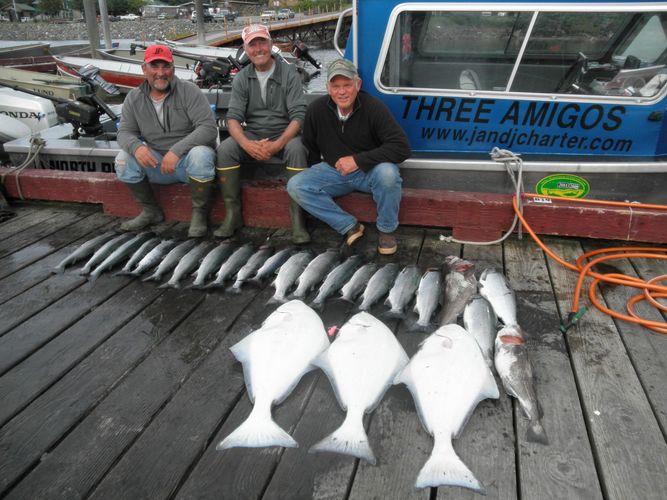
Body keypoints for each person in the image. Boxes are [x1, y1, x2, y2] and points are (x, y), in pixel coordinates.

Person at [287, 58, 411, 255]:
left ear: (358, 85)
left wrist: (357, 161)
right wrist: (316, 175)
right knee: (296, 185)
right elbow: (310, 148)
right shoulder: (316, 110)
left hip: (370, 172)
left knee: (389, 174)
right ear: (328, 88)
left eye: (347, 85)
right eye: (336, 86)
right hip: (334, 172)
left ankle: (386, 231)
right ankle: (349, 226)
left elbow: (402, 148)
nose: (342, 91)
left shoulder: (374, 107)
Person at [215, 24, 310, 243]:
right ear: (246, 49)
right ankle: (233, 215)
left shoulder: (290, 74)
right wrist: (247, 144)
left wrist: (277, 144)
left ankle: (298, 220)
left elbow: (298, 117)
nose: (258, 49)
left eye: (262, 43)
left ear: (271, 44)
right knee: (226, 149)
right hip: (253, 134)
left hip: (285, 134)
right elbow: (233, 119)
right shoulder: (241, 78)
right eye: (252, 45)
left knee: (297, 149)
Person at [115, 45, 217, 238]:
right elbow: (124, 132)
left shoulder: (190, 91)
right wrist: (137, 147)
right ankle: (151, 211)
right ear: (144, 69)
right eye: (154, 66)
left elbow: (208, 128)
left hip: (188, 165)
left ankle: (199, 214)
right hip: (157, 165)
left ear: (173, 69)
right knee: (122, 159)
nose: (161, 73)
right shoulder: (133, 97)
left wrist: (177, 151)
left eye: (166, 66)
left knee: (201, 154)